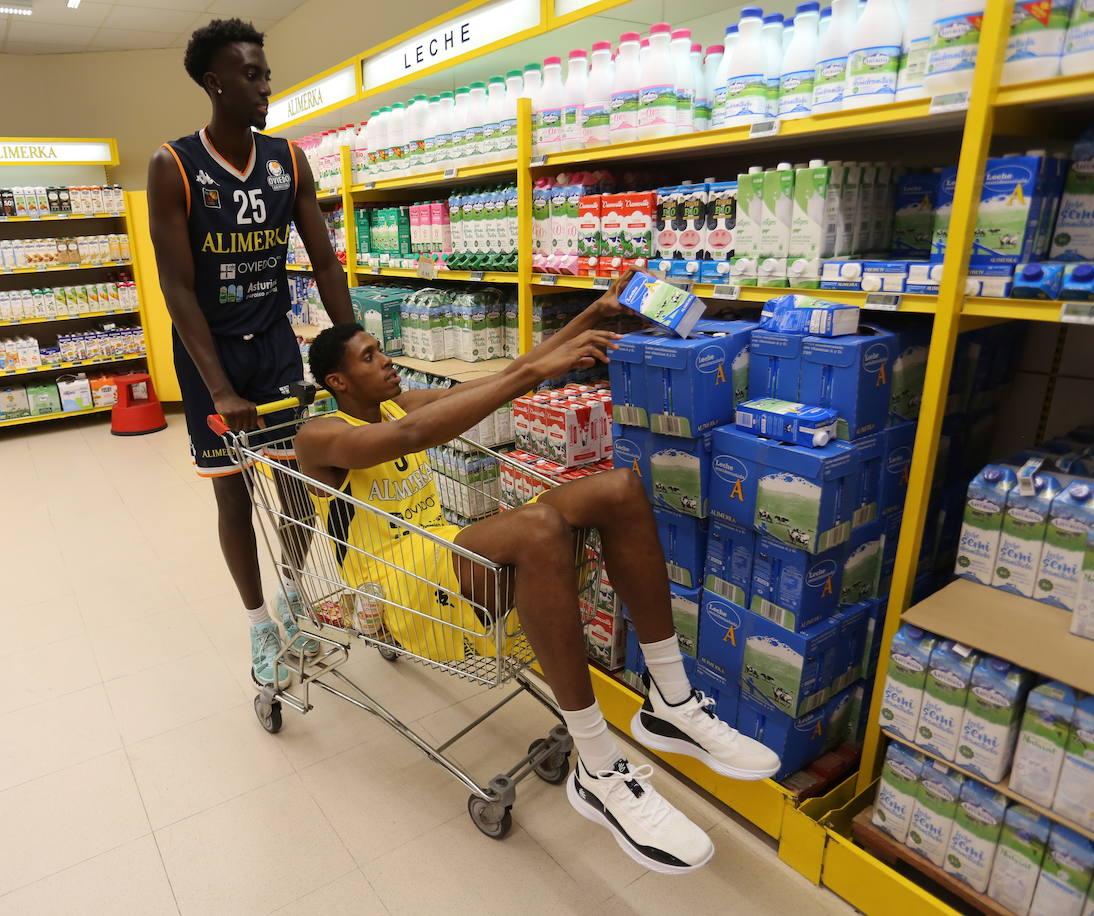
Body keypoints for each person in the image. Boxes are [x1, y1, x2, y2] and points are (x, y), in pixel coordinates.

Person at [293, 277, 781, 875]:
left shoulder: (398, 403)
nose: (387, 359)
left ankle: (669, 698)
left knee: (620, 489)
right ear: (337, 382)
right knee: (539, 529)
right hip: (399, 583)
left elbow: (512, 371)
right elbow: (409, 437)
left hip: (443, 553)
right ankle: (599, 766)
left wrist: (591, 313)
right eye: (369, 356)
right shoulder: (319, 435)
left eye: (380, 347)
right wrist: (529, 377)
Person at [148, 18, 355, 689]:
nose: (266, 86)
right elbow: (177, 288)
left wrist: (350, 344)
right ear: (216, 83)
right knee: (233, 498)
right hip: (212, 359)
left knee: (295, 484)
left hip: (273, 350)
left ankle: (294, 595)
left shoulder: (288, 160)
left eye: (265, 73)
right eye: (252, 75)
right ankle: (260, 624)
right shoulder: (172, 165)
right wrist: (219, 390)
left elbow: (323, 260)